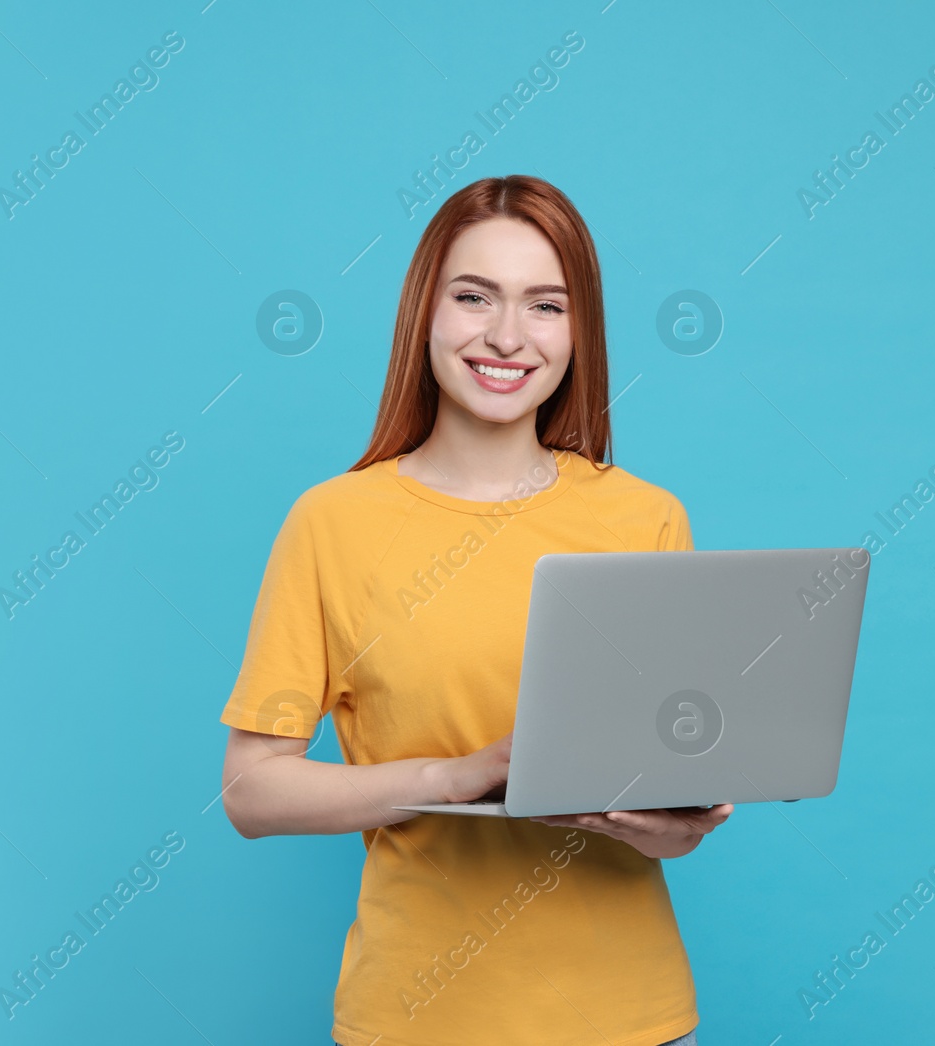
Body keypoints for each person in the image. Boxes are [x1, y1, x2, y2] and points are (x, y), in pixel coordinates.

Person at [219, 174, 732, 1046]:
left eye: (545, 305)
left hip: (631, 1018)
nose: (506, 336)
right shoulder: (332, 523)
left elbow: (668, 837)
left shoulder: (646, 518)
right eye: (474, 297)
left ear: (581, 331)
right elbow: (250, 791)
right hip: (416, 1017)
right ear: (426, 311)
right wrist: (445, 778)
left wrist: (675, 820)